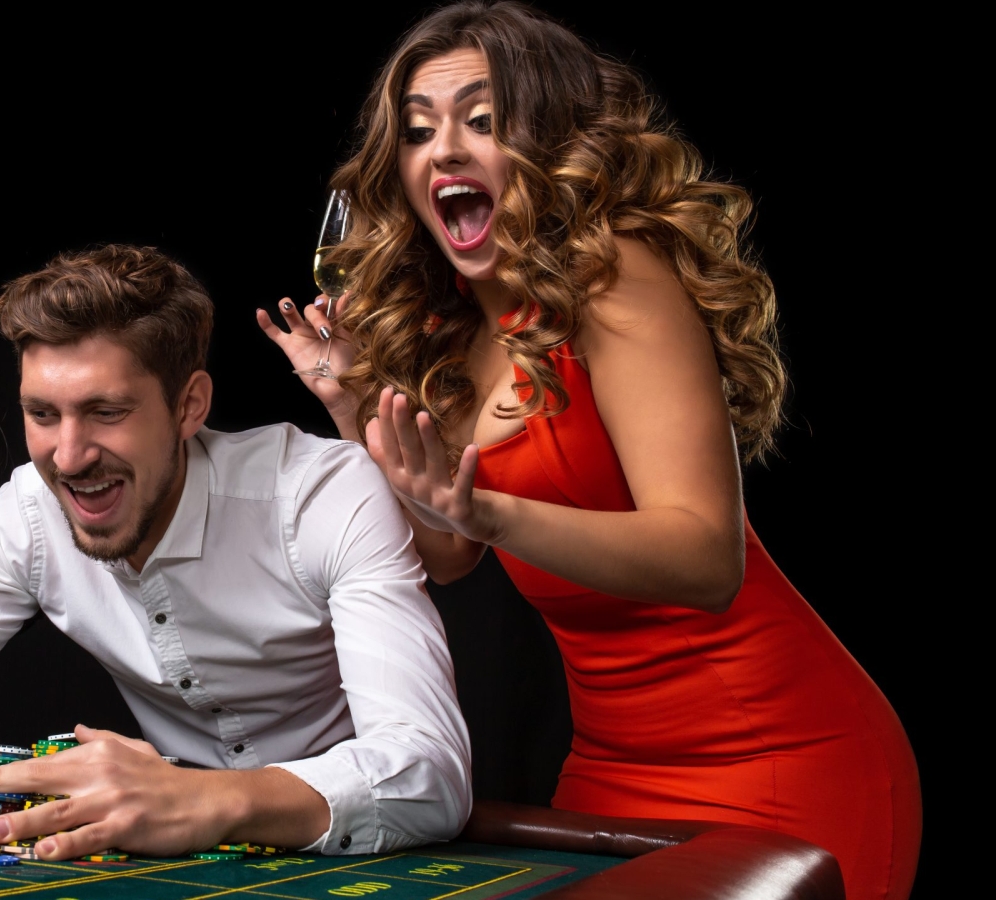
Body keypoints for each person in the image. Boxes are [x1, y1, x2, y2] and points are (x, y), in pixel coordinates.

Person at [257, 3, 919, 898]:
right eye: (418, 130)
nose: (444, 149)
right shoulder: (447, 330)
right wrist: (351, 406)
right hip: (612, 767)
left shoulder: (614, 274)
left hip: (782, 755)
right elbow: (451, 553)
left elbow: (705, 555)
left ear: (549, 141)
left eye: (482, 121)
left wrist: (489, 509)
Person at [0, 244, 471, 859]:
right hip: (160, 841)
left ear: (190, 406)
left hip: (354, 851)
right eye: (42, 415)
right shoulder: (31, 513)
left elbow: (428, 774)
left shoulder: (321, 495)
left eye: (106, 412)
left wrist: (206, 799)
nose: (69, 456)